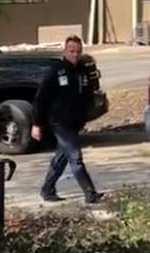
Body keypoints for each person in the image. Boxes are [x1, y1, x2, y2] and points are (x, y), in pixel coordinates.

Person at [31, 35, 104, 203]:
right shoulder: (55, 71)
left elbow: (87, 95)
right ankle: (90, 193)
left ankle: (47, 190)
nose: (75, 55)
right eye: (71, 51)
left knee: (62, 157)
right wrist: (36, 123)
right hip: (58, 121)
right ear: (65, 51)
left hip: (74, 122)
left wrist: (86, 114)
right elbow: (40, 99)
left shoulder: (82, 71)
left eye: (78, 51)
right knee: (75, 158)